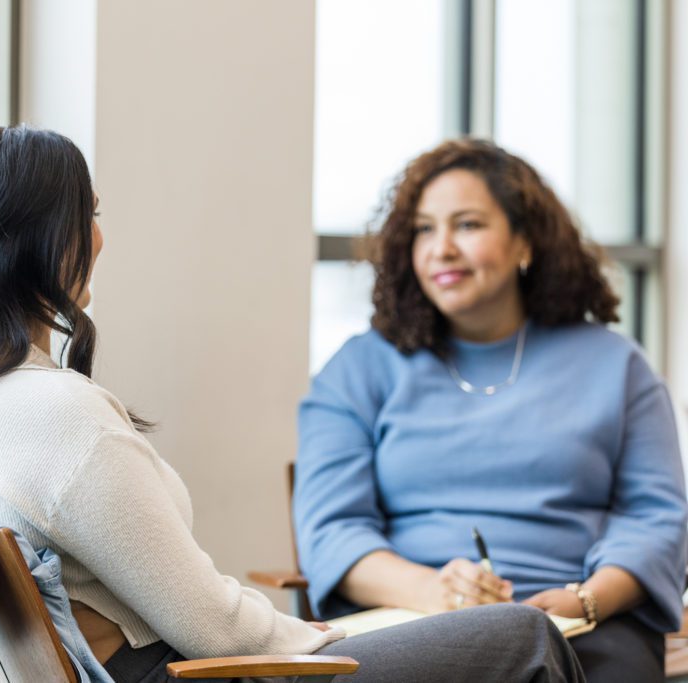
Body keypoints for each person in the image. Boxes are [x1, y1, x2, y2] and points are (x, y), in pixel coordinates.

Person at [0, 126, 585, 682]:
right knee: (526, 638)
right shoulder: (56, 413)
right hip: (205, 672)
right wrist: (329, 637)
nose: (99, 235)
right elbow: (214, 626)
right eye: (89, 212)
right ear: (51, 238)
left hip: (180, 665)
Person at [294, 138, 688, 682]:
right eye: (424, 230)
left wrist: (587, 599)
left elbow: (655, 516)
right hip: (413, 620)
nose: (441, 248)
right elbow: (333, 530)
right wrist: (433, 590)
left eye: (468, 225)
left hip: (586, 622)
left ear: (525, 241)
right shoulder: (358, 369)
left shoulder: (616, 365)